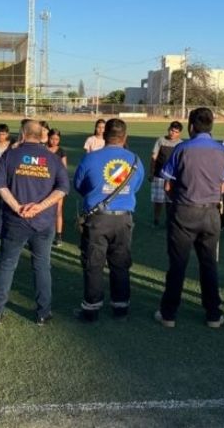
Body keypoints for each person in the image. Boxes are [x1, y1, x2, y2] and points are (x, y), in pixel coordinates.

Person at [154, 108, 224, 329]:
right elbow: (223, 185)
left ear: (190, 126)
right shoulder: (223, 151)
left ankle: (169, 314)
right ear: (211, 126)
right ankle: (213, 314)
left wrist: (177, 198)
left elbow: (167, 183)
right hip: (211, 212)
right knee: (209, 264)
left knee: (178, 264)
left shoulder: (182, 149)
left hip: (185, 210)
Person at [0, 120, 70, 326]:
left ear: (23, 134)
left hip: (15, 221)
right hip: (43, 222)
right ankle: (43, 312)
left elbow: (0, 186)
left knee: (7, 265)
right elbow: (63, 189)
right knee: (42, 266)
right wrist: (40, 207)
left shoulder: (9, 155)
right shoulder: (52, 159)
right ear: (42, 135)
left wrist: (17, 207)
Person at [73, 119, 145, 322]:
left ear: (104, 136)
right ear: (125, 136)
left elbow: (79, 184)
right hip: (123, 218)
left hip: (97, 219)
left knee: (93, 263)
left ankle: (91, 308)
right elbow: (136, 186)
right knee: (121, 263)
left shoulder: (91, 159)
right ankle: (120, 306)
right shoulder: (135, 160)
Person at [150, 121, 183, 227]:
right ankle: (156, 219)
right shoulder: (161, 140)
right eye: (172, 130)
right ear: (169, 129)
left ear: (179, 133)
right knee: (158, 200)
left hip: (173, 178)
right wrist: (151, 172)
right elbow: (154, 157)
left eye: (176, 132)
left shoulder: (181, 144)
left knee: (170, 201)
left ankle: (169, 220)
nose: (173, 133)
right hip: (159, 175)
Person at [47, 129, 68, 246]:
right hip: (45, 183)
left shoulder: (61, 151)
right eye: (52, 138)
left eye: (57, 139)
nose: (54, 141)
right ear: (48, 137)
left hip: (57, 184)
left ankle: (58, 235)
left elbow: (64, 168)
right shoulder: (43, 149)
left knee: (58, 210)